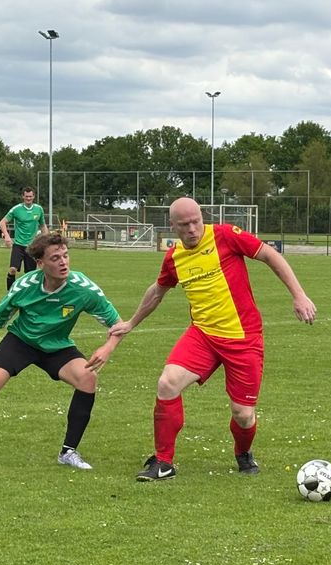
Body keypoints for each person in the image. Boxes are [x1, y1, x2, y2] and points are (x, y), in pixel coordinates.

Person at [110, 197, 316, 481]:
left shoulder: (226, 236)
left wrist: (299, 294)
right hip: (203, 336)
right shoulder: (174, 257)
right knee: (167, 382)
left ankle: (243, 452)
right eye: (184, 225)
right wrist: (131, 322)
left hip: (243, 338)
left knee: (243, 414)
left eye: (196, 221)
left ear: (202, 217)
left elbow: (270, 255)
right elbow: (157, 291)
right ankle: (163, 461)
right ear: (172, 226)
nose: (192, 229)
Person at [0, 234, 127, 472]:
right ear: (41, 263)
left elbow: (118, 324)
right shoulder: (24, 286)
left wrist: (108, 347)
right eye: (55, 258)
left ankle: (68, 452)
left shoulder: (83, 288)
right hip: (21, 341)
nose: (63, 262)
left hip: (57, 345)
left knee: (88, 379)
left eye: (65, 255)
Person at [0, 187, 48, 291]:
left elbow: (43, 225)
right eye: (26, 196)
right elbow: (2, 222)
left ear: (33, 197)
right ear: (23, 197)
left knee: (30, 274)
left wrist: (47, 240)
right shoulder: (16, 209)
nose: (28, 198)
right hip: (18, 245)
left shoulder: (39, 209)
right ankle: (10, 293)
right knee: (12, 269)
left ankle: (28, 295)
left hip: (32, 247)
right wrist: (7, 236)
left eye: (30, 196)